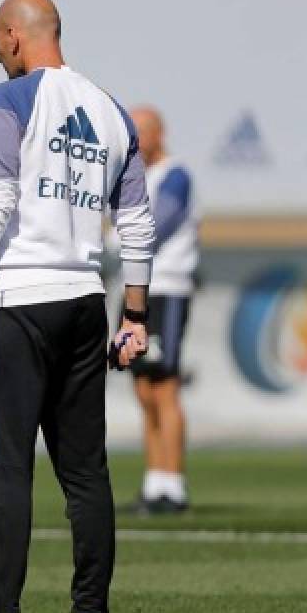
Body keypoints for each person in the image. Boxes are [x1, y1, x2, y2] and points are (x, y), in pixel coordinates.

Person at [0, 0, 155, 613]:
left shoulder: (7, 100)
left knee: (5, 466)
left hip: (18, 303)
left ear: (12, 35)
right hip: (86, 303)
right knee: (85, 470)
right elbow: (137, 221)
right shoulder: (112, 112)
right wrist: (134, 313)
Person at [127, 106, 198, 515]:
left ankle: (174, 484)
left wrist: (120, 239)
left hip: (166, 289)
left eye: (142, 133)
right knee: (143, 388)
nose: (135, 142)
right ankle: (155, 481)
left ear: (160, 133)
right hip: (137, 290)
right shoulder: (137, 177)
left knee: (165, 385)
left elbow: (159, 226)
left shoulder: (176, 175)